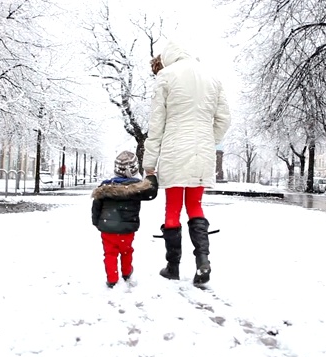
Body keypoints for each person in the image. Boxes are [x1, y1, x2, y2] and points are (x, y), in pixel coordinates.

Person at [143, 40, 231, 285]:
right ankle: (202, 261)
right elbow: (224, 120)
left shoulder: (166, 76)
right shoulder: (213, 78)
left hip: (173, 149)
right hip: (202, 152)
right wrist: (207, 139)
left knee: (172, 208)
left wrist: (149, 163)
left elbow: (156, 124)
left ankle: (173, 266)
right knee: (195, 205)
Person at [91, 151, 158, 288]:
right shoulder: (136, 189)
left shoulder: (105, 188)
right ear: (134, 170)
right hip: (127, 230)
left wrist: (96, 222)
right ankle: (126, 272)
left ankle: (112, 278)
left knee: (110, 254)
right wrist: (151, 176)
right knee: (126, 251)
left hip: (107, 228)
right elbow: (152, 192)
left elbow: (96, 206)